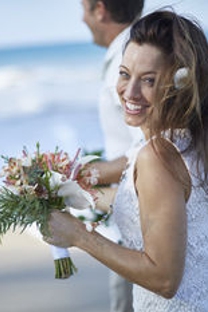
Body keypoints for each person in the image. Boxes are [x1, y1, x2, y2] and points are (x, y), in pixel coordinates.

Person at [43, 10, 208, 311]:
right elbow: (150, 204)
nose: (129, 92)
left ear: (180, 83)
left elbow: (164, 279)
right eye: (124, 73)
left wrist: (79, 236)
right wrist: (76, 193)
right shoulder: (189, 139)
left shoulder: (157, 156)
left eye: (148, 80)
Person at [80, 1, 144, 311]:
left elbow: (147, 149)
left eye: (83, 8)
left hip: (141, 225)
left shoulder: (128, 56)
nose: (82, 18)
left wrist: (81, 177)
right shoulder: (142, 45)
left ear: (100, 9)